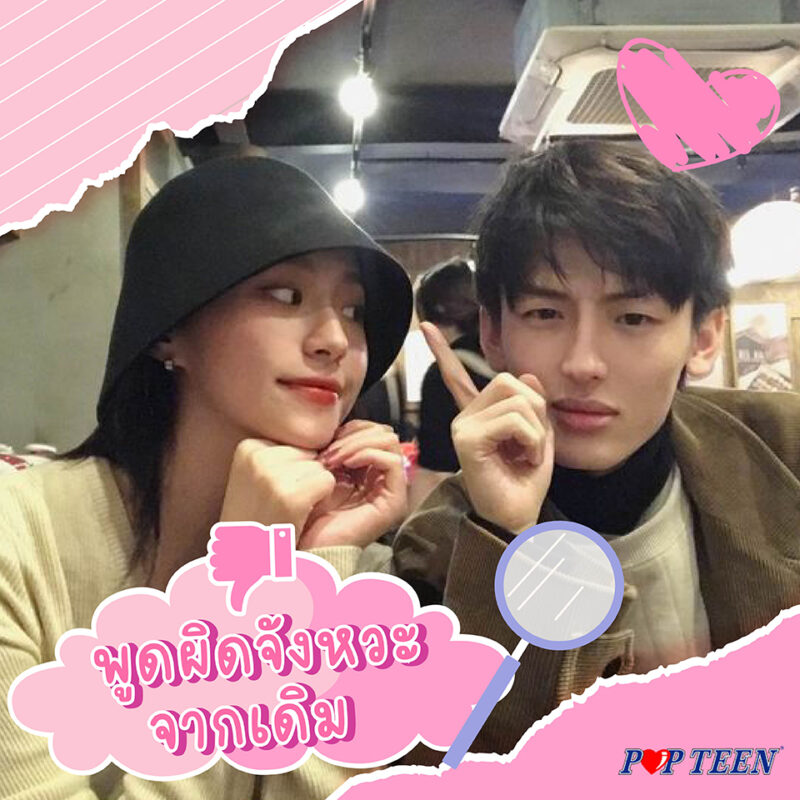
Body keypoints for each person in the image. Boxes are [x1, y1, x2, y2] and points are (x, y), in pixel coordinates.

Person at [0, 157, 413, 798]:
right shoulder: (19, 538)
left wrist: (314, 576)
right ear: (168, 330)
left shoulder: (349, 556)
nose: (335, 339)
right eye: (285, 295)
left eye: (354, 309)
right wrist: (235, 592)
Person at [393, 139, 800, 761]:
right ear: (493, 333)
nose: (583, 363)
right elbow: (440, 768)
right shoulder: (439, 547)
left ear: (704, 336)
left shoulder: (782, 451)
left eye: (633, 318)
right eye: (544, 313)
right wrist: (506, 536)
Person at [409, 258, 494, 510]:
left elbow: (434, 473)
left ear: (433, 313)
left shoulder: (442, 377)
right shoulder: (511, 361)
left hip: (473, 515)